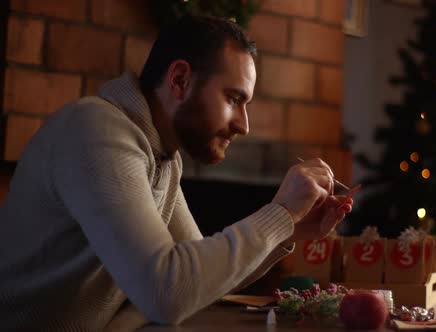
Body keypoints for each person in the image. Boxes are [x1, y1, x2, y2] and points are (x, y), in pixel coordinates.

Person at [0, 16, 353, 330]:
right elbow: (167, 294)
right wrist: (281, 213)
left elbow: (199, 282)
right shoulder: (96, 129)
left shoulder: (163, 157)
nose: (244, 125)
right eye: (233, 99)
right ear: (180, 79)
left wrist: (288, 227)